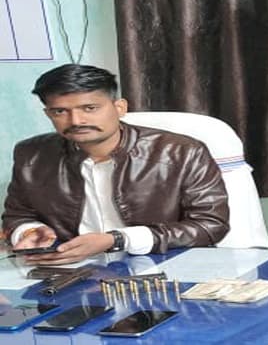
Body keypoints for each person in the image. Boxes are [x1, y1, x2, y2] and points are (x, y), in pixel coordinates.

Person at [2, 64, 229, 265]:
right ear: (48, 114)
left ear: (120, 107)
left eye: (90, 108)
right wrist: (29, 231)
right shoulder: (32, 154)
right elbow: (17, 215)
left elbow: (210, 225)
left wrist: (118, 239)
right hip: (70, 271)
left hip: (162, 266)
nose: (76, 121)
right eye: (60, 111)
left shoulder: (181, 152)